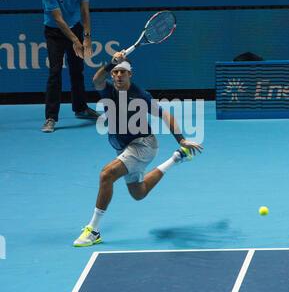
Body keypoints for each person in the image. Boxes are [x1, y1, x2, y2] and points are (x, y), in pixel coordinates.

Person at [73, 50, 203, 247]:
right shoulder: (107, 90)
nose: (118, 75)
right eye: (115, 72)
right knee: (138, 193)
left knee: (106, 175)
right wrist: (111, 63)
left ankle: (93, 230)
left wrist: (181, 139)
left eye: (122, 72)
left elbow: (165, 115)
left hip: (143, 145)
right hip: (124, 147)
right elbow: (96, 80)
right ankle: (177, 158)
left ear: (130, 74)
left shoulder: (140, 95)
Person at [41, 0, 98, 133]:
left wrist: (86, 37)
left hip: (76, 27)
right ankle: (51, 117)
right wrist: (76, 40)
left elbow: (84, 12)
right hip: (55, 33)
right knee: (55, 72)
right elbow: (58, 19)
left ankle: (80, 108)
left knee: (77, 70)